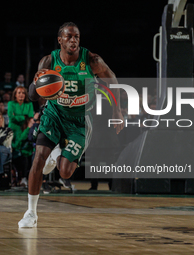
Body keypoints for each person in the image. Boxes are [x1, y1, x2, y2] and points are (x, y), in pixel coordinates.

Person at [18, 22, 123, 228]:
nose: (73, 40)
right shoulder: (49, 61)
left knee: (65, 172)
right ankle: (31, 213)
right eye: (69, 37)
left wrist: (117, 110)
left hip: (80, 120)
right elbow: (33, 95)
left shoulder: (92, 60)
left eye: (76, 37)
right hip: (54, 114)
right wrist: (36, 85)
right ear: (60, 40)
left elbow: (113, 80)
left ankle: (56, 154)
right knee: (38, 158)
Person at [7, 86, 35, 186]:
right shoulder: (11, 103)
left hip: (25, 129)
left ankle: (24, 178)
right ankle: (16, 177)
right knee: (15, 150)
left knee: (26, 151)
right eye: (19, 92)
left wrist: (17, 117)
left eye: (23, 93)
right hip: (13, 131)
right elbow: (11, 117)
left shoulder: (29, 104)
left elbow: (30, 116)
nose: (21, 95)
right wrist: (24, 117)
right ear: (15, 94)